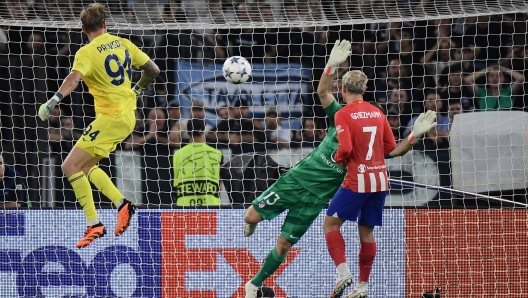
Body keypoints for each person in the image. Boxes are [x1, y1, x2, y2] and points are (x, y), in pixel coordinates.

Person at [243, 40, 437, 298]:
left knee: (285, 243)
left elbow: (361, 146)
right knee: (250, 218)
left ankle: (253, 284)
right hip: (297, 179)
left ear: (344, 88)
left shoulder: (352, 117)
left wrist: (333, 66)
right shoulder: (343, 113)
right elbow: (323, 93)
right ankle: (358, 284)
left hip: (317, 197)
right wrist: (412, 136)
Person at [37, 3, 160, 248]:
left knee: (69, 166)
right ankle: (122, 204)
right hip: (128, 117)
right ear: (105, 24)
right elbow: (153, 69)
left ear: (83, 29)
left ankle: (94, 223)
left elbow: (74, 78)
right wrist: (137, 89)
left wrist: (54, 99)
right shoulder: (123, 43)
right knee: (87, 166)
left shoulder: (86, 52)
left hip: (110, 117)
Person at [323, 74, 436, 298]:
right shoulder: (377, 112)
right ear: (364, 90)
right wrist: (413, 136)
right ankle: (362, 287)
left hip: (358, 180)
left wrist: (336, 159)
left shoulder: (342, 114)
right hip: (380, 181)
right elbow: (392, 149)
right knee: (366, 232)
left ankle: (343, 273)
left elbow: (344, 149)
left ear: (343, 88)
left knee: (330, 225)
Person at [172, 118, 223, 206]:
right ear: (204, 131)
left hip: (184, 205)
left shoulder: (177, 154)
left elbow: (175, 183)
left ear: (188, 133)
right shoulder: (217, 154)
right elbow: (220, 183)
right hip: (210, 206)